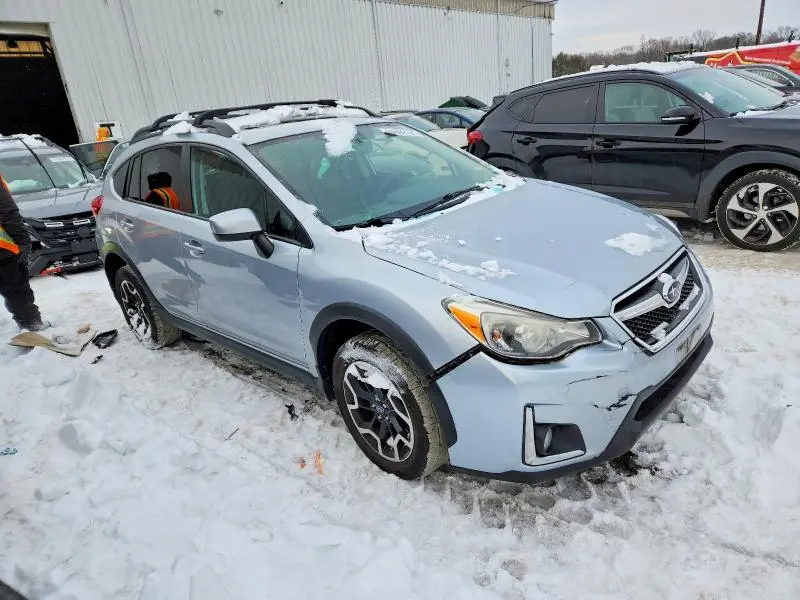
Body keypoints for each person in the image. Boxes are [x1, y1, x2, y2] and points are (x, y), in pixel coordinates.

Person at [0, 175, 47, 331]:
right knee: (16, 290)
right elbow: (7, 211)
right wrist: (22, 240)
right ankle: (32, 326)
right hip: (3, 250)